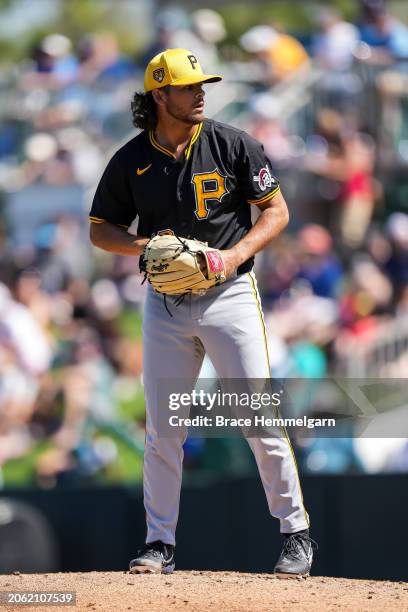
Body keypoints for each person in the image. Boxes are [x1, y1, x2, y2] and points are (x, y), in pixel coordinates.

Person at [89, 48, 316, 576]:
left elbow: (277, 212)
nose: (200, 92)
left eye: (201, 85)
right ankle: (158, 544)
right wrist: (144, 246)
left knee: (256, 415)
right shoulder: (130, 159)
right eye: (189, 86)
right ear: (159, 95)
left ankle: (296, 534)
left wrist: (236, 254)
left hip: (229, 294)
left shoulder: (232, 143)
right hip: (165, 302)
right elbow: (100, 229)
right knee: (163, 428)